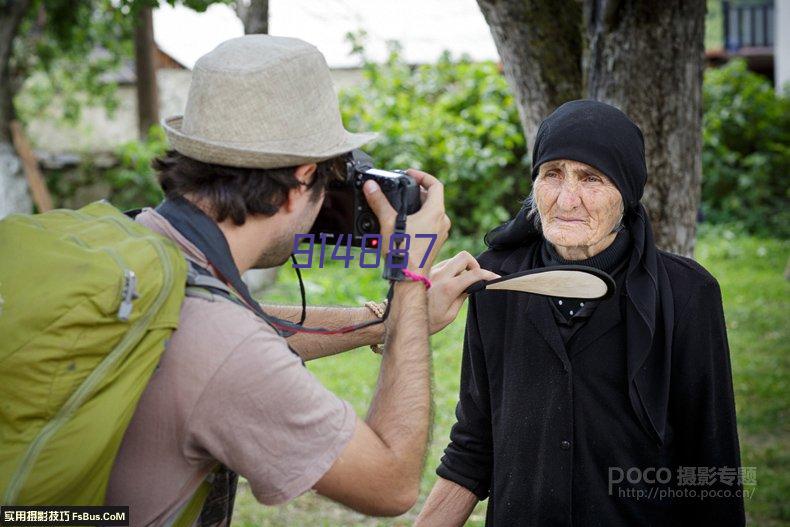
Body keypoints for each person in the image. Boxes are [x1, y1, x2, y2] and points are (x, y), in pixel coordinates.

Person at [104, 35, 498, 526]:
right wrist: (409, 272)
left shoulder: (128, 240)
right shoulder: (224, 350)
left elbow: (244, 323)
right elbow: (392, 484)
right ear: (302, 179)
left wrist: (383, 322)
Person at [415, 100, 745, 526]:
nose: (567, 199)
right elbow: (474, 446)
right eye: (552, 174)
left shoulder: (687, 294)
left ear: (624, 193)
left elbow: (713, 462)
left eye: (591, 178)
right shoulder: (498, 282)